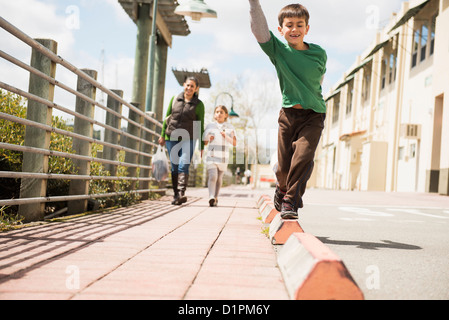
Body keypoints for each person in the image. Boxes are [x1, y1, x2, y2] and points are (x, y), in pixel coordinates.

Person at [248, 1, 327, 219]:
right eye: (289, 25)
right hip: (289, 115)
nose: (295, 29)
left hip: (314, 115)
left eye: (299, 24)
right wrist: (254, 3)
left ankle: (290, 202)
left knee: (302, 158)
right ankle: (283, 189)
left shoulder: (319, 53)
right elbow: (260, 30)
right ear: (281, 30)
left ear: (307, 29)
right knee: (283, 168)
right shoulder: (278, 50)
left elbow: (318, 79)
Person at [159, 77, 205, 205]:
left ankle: (181, 193)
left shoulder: (199, 104)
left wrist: (201, 145)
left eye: (192, 86)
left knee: (183, 164)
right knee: (174, 167)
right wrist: (162, 135)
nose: (189, 88)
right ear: (184, 85)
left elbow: (199, 126)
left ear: (196, 88)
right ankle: (175, 195)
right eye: (187, 85)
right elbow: (167, 118)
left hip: (188, 138)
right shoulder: (174, 99)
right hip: (171, 137)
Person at [204, 105, 237, 207]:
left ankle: (216, 198)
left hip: (223, 156)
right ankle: (211, 196)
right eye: (217, 112)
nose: (219, 114)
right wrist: (208, 137)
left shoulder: (230, 127)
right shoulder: (210, 126)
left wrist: (225, 136)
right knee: (213, 176)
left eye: (221, 112)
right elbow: (204, 142)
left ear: (226, 115)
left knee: (219, 178)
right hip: (212, 155)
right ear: (214, 114)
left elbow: (234, 142)